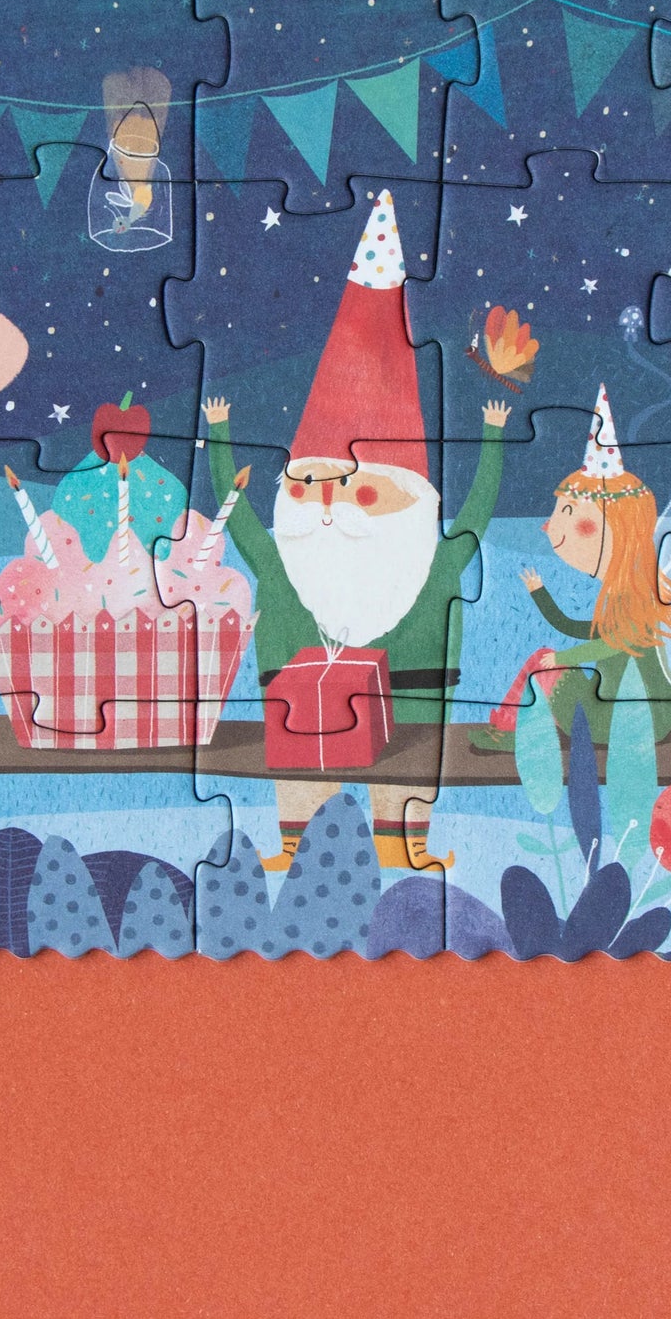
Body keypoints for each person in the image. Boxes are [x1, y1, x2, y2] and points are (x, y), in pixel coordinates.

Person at [202, 190, 508, 871]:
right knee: (299, 757)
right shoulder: (283, 560)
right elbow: (238, 511)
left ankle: (404, 845)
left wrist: (492, 440)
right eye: (309, 484)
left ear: (413, 501)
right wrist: (219, 437)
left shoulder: (432, 563)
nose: (329, 505)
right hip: (301, 714)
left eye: (360, 489)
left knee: (409, 764)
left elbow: (477, 514)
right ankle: (294, 843)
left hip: (414, 710)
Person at [505, 386, 671, 747]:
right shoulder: (624, 595)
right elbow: (583, 630)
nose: (549, 527)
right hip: (634, 717)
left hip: (631, 721)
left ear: (618, 528)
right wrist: (540, 595)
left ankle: (512, 729)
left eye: (570, 513)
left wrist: (565, 657)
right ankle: (510, 726)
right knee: (546, 659)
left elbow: (613, 644)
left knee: (548, 663)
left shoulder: (634, 599)